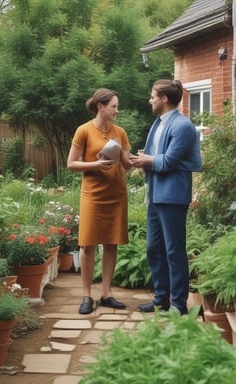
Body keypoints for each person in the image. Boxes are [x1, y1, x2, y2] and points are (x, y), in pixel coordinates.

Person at [130, 79, 201, 314]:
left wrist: (145, 161)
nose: (149, 100)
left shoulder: (183, 127)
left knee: (174, 251)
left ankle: (178, 305)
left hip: (173, 196)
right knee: (153, 249)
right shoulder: (158, 124)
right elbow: (152, 154)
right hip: (156, 195)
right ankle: (160, 299)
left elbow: (169, 161)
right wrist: (136, 157)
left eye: (152, 96)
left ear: (164, 99)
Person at [67, 88, 132, 315]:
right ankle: (86, 295)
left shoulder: (120, 132)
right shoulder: (83, 131)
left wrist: (141, 160)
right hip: (93, 195)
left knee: (111, 243)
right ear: (101, 107)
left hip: (116, 194)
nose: (117, 110)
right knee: (88, 244)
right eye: (113, 106)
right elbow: (71, 164)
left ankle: (106, 294)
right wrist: (95, 165)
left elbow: (126, 163)